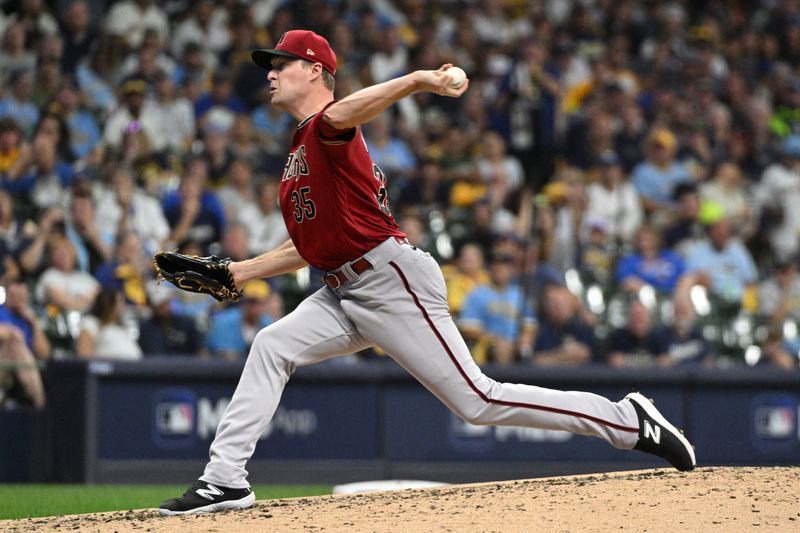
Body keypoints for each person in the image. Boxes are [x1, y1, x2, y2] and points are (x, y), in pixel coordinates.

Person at [159, 30, 695, 516]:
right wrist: (241, 272)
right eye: (269, 65)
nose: (270, 73)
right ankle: (225, 479)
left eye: (282, 63)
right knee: (272, 346)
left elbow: (347, 112)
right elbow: (313, 245)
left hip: (391, 280)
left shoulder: (329, 126)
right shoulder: (303, 145)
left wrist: (420, 80)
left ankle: (627, 420)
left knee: (479, 401)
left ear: (315, 70)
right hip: (343, 285)